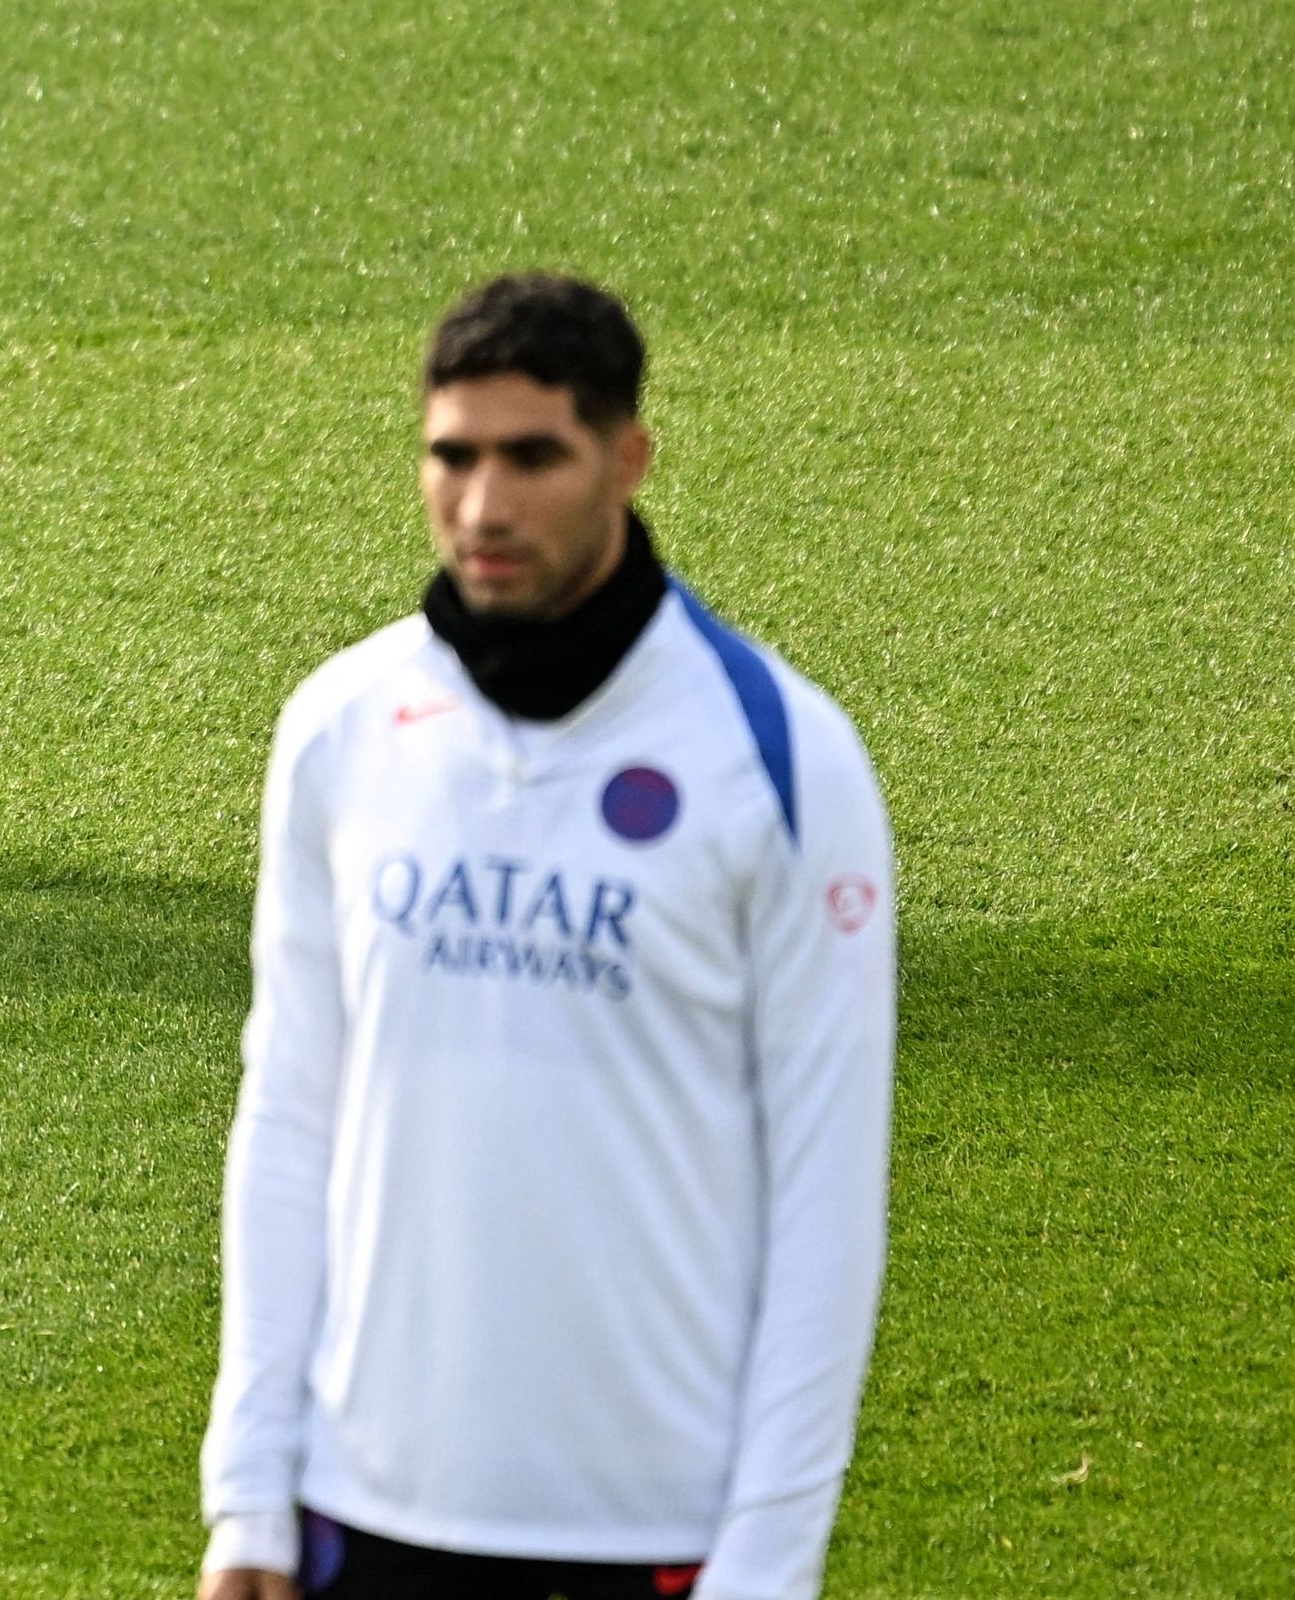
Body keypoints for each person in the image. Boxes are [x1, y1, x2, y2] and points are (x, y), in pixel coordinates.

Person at [203, 275, 897, 1600]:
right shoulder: (342, 727)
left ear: (628, 459)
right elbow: (290, 1114)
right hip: (362, 1513)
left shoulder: (781, 758)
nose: (483, 506)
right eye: (450, 456)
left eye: (534, 458)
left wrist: (767, 1567)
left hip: (648, 1531)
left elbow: (827, 1195)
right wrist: (248, 1495)